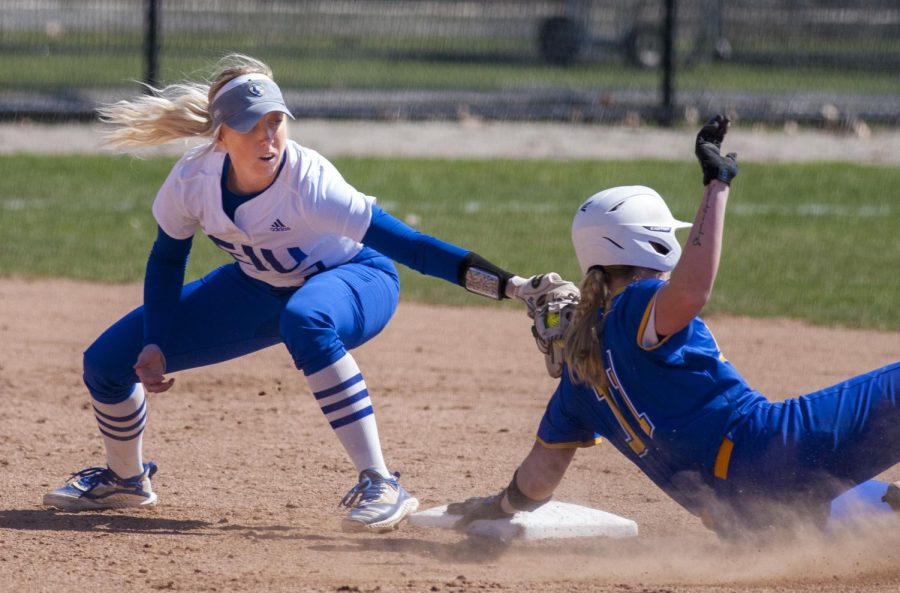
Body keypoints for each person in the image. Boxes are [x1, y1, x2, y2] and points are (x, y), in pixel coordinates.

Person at [42, 54, 574, 533]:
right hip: (256, 288)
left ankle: (382, 482)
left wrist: (511, 286)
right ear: (221, 134)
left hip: (356, 280)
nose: (269, 137)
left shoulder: (309, 183)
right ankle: (127, 479)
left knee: (306, 318)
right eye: (252, 126)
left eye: (276, 122)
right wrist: (155, 340)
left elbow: (414, 247)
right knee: (106, 362)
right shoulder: (193, 180)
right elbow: (166, 259)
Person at [448, 115, 899, 537]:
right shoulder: (636, 306)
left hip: (746, 520)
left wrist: (499, 508)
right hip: (771, 453)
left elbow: (537, 480)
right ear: (652, 242)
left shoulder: (578, 377)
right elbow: (690, 292)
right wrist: (716, 184)